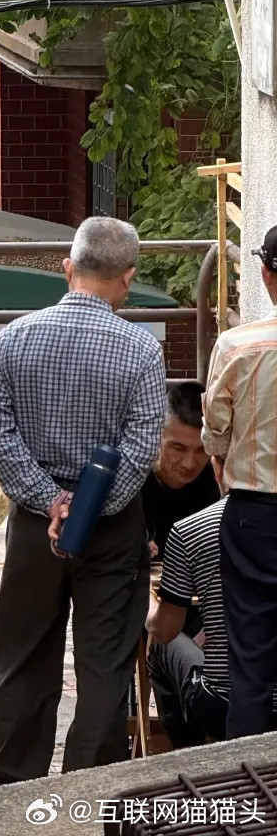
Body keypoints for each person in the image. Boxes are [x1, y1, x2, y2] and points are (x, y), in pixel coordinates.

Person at [0, 216, 167, 785]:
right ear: (127, 278)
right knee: (104, 660)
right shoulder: (141, 350)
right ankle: (90, 789)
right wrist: (86, 509)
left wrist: (49, 501)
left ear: (68, 267)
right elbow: (140, 449)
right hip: (110, 529)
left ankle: (17, 782)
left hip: (37, 526)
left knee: (22, 655)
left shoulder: (15, 337)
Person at [202, 224, 277, 738]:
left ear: (266, 273)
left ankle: (249, 790)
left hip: (256, 513)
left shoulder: (237, 346)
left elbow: (215, 430)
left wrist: (223, 460)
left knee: (249, 659)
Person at [146, 489, 259, 748]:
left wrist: (146, 600)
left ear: (218, 468)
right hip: (250, 696)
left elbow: (164, 630)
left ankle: (188, 754)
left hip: (226, 705)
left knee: (161, 645)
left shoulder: (193, 528)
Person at [142, 381, 220, 560]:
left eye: (202, 450)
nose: (189, 464)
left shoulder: (217, 483)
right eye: (178, 448)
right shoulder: (131, 484)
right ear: (155, 437)